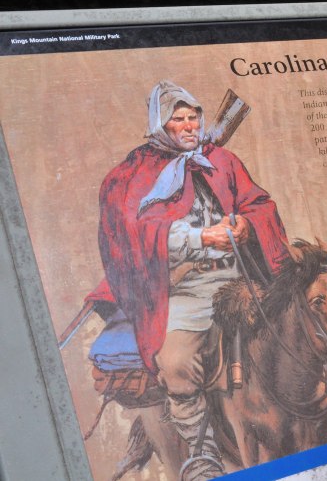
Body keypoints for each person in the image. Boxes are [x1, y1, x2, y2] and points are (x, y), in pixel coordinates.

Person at [85, 80, 288, 480]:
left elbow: (259, 203)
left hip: (239, 278)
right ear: (160, 125)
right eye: (178, 119)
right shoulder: (132, 175)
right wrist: (200, 237)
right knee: (176, 362)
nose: (190, 125)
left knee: (309, 325)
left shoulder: (221, 160)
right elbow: (133, 233)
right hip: (185, 289)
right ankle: (202, 452)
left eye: (193, 116)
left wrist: (247, 224)